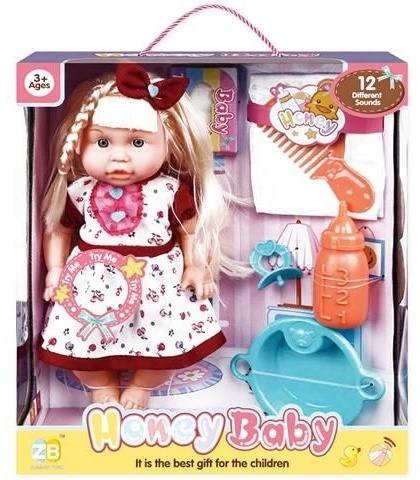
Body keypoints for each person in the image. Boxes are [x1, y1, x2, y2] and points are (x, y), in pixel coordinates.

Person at [38, 63, 246, 409]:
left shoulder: (169, 191)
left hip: (156, 285)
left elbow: (188, 230)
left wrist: (195, 265)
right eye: (102, 142)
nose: (119, 157)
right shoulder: (79, 192)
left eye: (137, 143)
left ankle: (142, 385)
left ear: (167, 142)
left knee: (163, 345)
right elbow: (58, 229)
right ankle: (100, 383)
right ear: (78, 146)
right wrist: (56, 270)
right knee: (77, 340)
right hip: (92, 283)